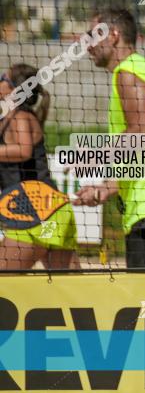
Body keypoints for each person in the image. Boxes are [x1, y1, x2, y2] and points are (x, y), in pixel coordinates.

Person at [72, 9, 145, 268]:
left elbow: (141, 135)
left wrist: (94, 156)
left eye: (92, 36)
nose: (87, 44)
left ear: (113, 36)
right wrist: (106, 187)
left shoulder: (127, 73)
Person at [0, 64, 80, 269]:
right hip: (51, 210)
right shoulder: (10, 117)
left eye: (3, 78)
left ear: (15, 89)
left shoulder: (20, 116)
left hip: (36, 211)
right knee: (72, 291)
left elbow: (24, 150)